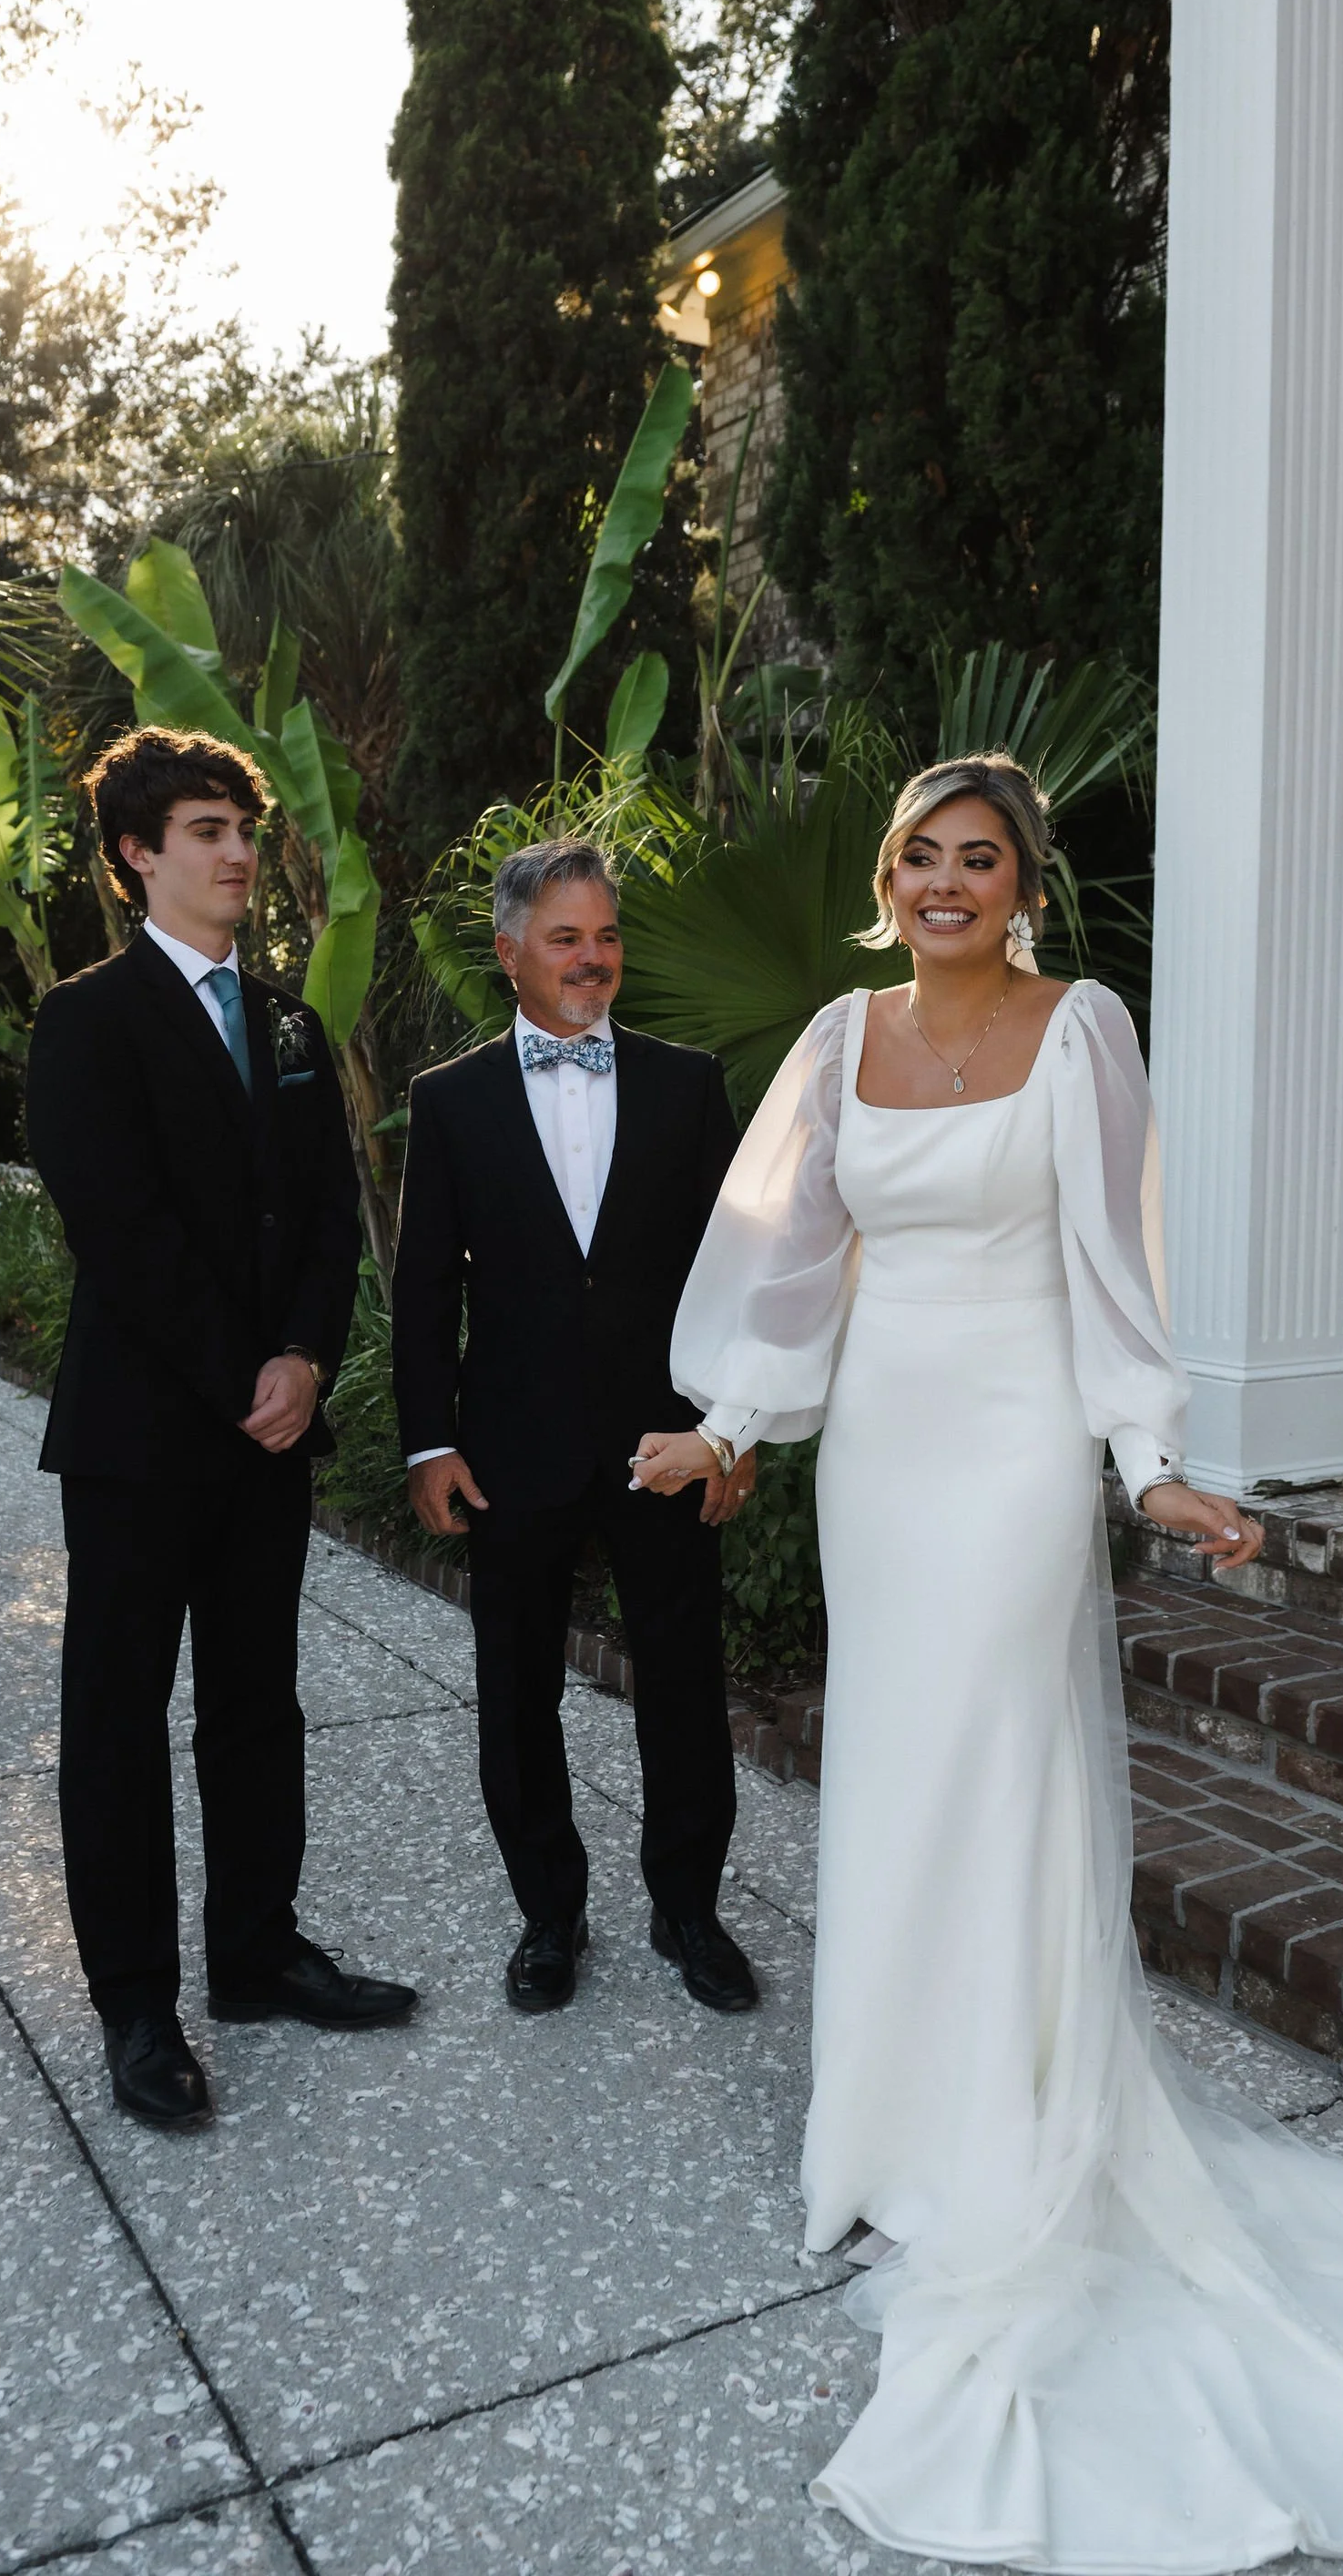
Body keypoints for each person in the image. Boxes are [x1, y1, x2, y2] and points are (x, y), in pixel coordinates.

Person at [636, 754, 1343, 2567]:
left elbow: (1114, 1262)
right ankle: (889, 2140)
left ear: (1025, 888)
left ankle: (1006, 2145)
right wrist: (732, 1426)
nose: (943, 884)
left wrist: (1148, 1459)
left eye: (976, 860)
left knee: (995, 1765)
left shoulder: (1080, 1031)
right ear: (889, 876)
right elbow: (794, 1255)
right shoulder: (837, 1036)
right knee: (899, 1767)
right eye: (920, 856)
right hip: (886, 1456)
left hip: (1007, 1457)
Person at [26, 726, 416, 2134]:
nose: (240, 852)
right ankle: (138, 2007)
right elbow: (118, 1230)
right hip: (141, 1438)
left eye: (244, 830)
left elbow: (326, 1217)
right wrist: (240, 1372)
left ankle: (256, 1954)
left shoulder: (293, 1024)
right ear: (139, 853)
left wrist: (307, 1356)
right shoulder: (86, 1019)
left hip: (272, 1433)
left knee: (258, 1703)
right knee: (119, 1721)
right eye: (207, 830)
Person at [391, 838, 758, 2018]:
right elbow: (422, 1290)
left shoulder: (687, 1085)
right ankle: (549, 1918)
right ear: (511, 955)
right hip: (511, 1451)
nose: (592, 958)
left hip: (666, 1446)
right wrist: (427, 1440)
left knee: (688, 1689)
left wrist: (734, 1431)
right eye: (565, 938)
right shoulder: (448, 1101)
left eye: (605, 936)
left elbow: (739, 1272)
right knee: (514, 1695)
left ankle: (688, 1911)